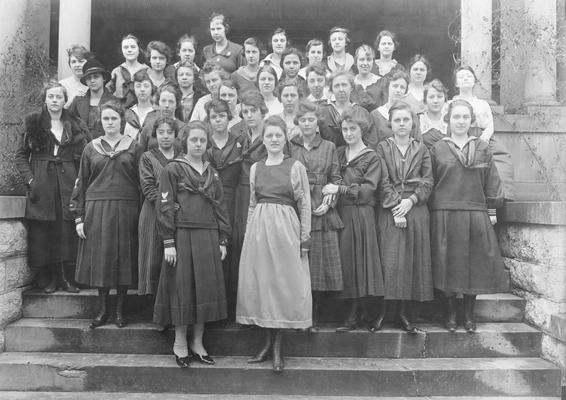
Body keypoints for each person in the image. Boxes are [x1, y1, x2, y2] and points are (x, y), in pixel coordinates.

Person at [236, 116, 312, 373]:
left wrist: (304, 238)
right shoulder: (256, 167)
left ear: (285, 138)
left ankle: (279, 346)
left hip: (285, 230)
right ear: (264, 139)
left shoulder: (295, 166)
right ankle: (265, 344)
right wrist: (249, 235)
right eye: (269, 136)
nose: (274, 140)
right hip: (259, 230)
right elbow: (251, 204)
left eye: (278, 135)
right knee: (264, 286)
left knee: (282, 286)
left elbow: (305, 205)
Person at [154, 120, 230, 368]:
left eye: (202, 140)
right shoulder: (173, 169)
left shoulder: (212, 172)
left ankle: (198, 342)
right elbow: (164, 206)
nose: (198, 144)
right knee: (182, 289)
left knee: (204, 290)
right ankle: (179, 343)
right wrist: (168, 241)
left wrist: (222, 239)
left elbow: (220, 206)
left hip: (208, 236)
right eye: (194, 140)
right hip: (182, 236)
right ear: (184, 141)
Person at [429, 99, 508, 333]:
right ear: (448, 119)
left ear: (471, 120)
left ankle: (469, 316)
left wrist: (492, 210)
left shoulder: (482, 148)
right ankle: (451, 314)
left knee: (474, 264)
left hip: (475, 213)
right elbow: (430, 183)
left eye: (465, 117)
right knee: (448, 264)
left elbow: (492, 182)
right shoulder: (438, 149)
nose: (461, 121)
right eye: (456, 117)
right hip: (445, 214)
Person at [71, 101, 141, 329]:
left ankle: (120, 311)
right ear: (100, 121)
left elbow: (141, 183)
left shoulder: (134, 147)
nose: (110, 123)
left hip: (126, 208)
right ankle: (103, 310)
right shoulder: (91, 148)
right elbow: (81, 182)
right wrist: (79, 217)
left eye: (114, 119)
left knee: (122, 258)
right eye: (106, 119)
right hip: (97, 209)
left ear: (121, 120)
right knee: (101, 259)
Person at [15, 81, 88, 293]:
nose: (55, 100)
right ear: (45, 99)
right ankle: (47, 278)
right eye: (51, 97)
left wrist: (79, 180)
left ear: (65, 100)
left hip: (67, 182)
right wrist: (31, 180)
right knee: (43, 231)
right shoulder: (33, 123)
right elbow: (20, 156)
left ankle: (65, 277)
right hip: (42, 183)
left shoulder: (75, 123)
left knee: (65, 231)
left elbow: (84, 155)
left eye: (59, 97)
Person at [322, 107, 385, 332]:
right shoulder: (338, 153)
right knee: (345, 262)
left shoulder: (372, 156)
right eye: (345, 129)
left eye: (353, 129)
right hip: (340, 213)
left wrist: (338, 188)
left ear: (363, 129)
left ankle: (358, 313)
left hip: (360, 213)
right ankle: (347, 310)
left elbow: (368, 191)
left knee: (359, 262)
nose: (348, 133)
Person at [376, 101, 434, 333]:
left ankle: (404, 314)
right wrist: (394, 207)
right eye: (397, 120)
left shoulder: (421, 149)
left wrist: (410, 201)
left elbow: (428, 180)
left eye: (406, 120)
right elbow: (382, 180)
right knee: (389, 260)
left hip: (415, 208)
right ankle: (382, 313)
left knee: (410, 262)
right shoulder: (382, 147)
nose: (401, 124)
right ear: (390, 123)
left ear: (413, 122)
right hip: (389, 209)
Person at [289, 100, 343, 332]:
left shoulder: (329, 147)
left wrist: (329, 203)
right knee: (299, 265)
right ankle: (299, 314)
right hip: (298, 209)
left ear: (318, 122)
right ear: (298, 123)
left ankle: (315, 316)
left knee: (319, 267)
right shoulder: (292, 147)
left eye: (311, 119)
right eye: (303, 120)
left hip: (322, 210)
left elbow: (336, 179)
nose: (308, 123)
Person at [205, 99, 246, 319]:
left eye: (222, 116)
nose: (218, 120)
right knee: (213, 248)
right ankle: (215, 308)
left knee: (233, 246)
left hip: (234, 198)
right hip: (210, 200)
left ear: (229, 118)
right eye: (214, 116)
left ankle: (232, 305)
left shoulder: (239, 142)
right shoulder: (205, 144)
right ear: (209, 120)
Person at [231, 91, 269, 323]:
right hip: (240, 194)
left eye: (253, 111)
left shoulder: (270, 136)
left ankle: (261, 307)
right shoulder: (241, 136)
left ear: (262, 111)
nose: (249, 115)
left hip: (261, 195)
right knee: (240, 244)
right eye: (245, 112)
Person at [452, 65, 515, 200]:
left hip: (483, 137)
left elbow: (490, 125)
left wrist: (484, 138)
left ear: (474, 80)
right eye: (461, 77)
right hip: (461, 136)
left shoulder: (482, 103)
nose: (465, 79)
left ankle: (499, 196)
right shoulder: (452, 103)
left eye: (469, 76)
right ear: (456, 83)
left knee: (501, 157)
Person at [138, 116, 181, 297]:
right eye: (161, 132)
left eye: (169, 133)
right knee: (153, 257)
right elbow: (148, 188)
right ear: (155, 134)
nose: (165, 136)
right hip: (153, 212)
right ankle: (154, 310)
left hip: (177, 214)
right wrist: (167, 205)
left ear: (175, 135)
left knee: (173, 259)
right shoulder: (148, 157)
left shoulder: (182, 158)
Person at [318, 70, 377, 149]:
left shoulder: (362, 112)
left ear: (351, 87)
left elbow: (370, 142)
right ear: (331, 89)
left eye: (344, 85)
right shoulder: (322, 112)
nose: (341, 89)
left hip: (356, 159)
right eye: (336, 86)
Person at [68, 58, 117, 140]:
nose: (92, 80)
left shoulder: (114, 102)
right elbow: (69, 124)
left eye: (96, 77)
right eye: (89, 78)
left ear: (103, 78)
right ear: (86, 81)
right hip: (82, 149)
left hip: (106, 147)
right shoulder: (77, 102)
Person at [371, 70, 420, 143]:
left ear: (405, 92)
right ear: (388, 87)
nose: (398, 90)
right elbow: (373, 145)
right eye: (395, 86)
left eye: (402, 87)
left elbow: (417, 144)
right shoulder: (376, 115)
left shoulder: (412, 116)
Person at [138, 85, 185, 152]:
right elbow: (140, 154)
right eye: (163, 101)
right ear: (158, 103)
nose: (167, 105)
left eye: (171, 102)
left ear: (177, 104)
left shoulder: (184, 129)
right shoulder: (149, 127)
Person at [107, 34, 149, 108]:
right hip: (121, 112)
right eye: (126, 47)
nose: (129, 50)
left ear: (139, 50)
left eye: (133, 47)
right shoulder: (117, 71)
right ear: (122, 51)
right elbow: (107, 93)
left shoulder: (147, 70)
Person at [351, 44, 387, 112]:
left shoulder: (382, 82)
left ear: (373, 62)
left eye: (369, 60)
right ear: (356, 61)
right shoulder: (350, 83)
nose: (365, 63)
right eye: (362, 59)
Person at [123, 69, 155, 140]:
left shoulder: (157, 112)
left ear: (152, 88)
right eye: (138, 86)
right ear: (133, 88)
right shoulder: (128, 113)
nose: (142, 89)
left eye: (146, 86)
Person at [420, 79, 448, 150]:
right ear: (425, 100)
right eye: (431, 97)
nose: (436, 101)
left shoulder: (450, 120)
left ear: (445, 99)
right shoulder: (418, 120)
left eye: (439, 97)